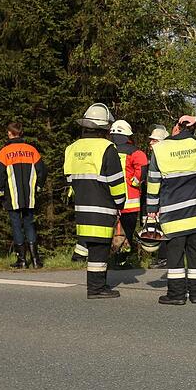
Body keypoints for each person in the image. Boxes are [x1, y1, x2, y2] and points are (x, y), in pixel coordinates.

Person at [146, 115, 196, 305]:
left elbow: (153, 182)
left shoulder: (160, 149)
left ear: (177, 129)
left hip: (174, 215)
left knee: (175, 255)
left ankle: (177, 295)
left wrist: (151, 210)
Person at [64, 103, 128, 299]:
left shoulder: (71, 148)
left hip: (81, 208)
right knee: (100, 249)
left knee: (92, 248)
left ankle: (97, 285)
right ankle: (96, 288)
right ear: (105, 127)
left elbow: (69, 180)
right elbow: (116, 181)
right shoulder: (107, 148)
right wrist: (120, 202)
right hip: (102, 208)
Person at [0, 121, 47, 269]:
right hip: (30, 196)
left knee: (16, 225)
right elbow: (42, 171)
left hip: (12, 196)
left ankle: (21, 261)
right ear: (21, 133)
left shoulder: (4, 152)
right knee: (29, 224)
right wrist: (38, 188)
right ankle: (35, 260)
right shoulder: (32, 150)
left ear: (10, 133)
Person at [109, 120, 148, 262]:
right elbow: (142, 168)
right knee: (128, 232)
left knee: (108, 232)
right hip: (129, 201)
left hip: (109, 199)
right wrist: (135, 183)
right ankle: (123, 260)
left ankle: (109, 259)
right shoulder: (135, 152)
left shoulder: (106, 150)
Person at [142, 125, 170, 268]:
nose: (151, 143)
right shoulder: (156, 156)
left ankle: (164, 258)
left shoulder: (161, 156)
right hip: (160, 199)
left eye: (154, 140)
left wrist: (153, 205)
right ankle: (162, 258)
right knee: (159, 228)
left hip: (162, 200)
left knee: (163, 229)